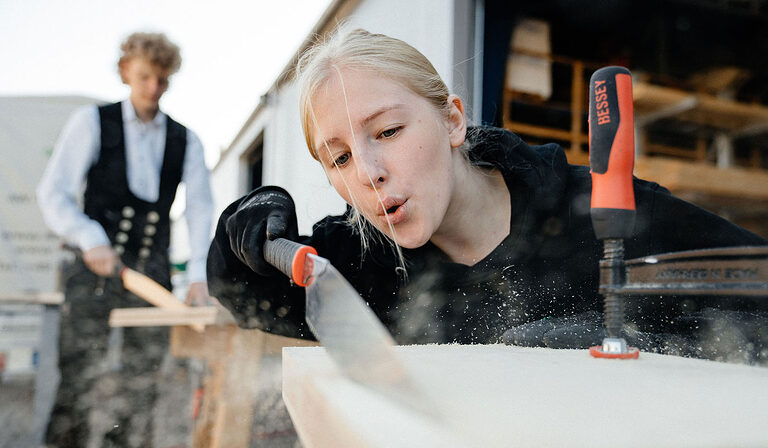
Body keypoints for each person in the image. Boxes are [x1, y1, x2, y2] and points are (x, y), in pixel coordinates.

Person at [208, 28, 766, 362]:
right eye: (340, 157)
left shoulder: (607, 217)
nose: (369, 173)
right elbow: (241, 290)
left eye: (388, 132)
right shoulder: (363, 263)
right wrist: (251, 220)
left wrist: (645, 346)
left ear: (453, 121)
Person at [11, 32, 213, 448]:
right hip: (92, 273)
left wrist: (202, 273)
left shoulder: (186, 139)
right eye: (145, 77)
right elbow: (53, 192)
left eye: (162, 80)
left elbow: (201, 209)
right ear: (126, 72)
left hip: (153, 276)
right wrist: (90, 239)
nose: (153, 88)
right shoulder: (90, 123)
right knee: (78, 375)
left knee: (141, 383)